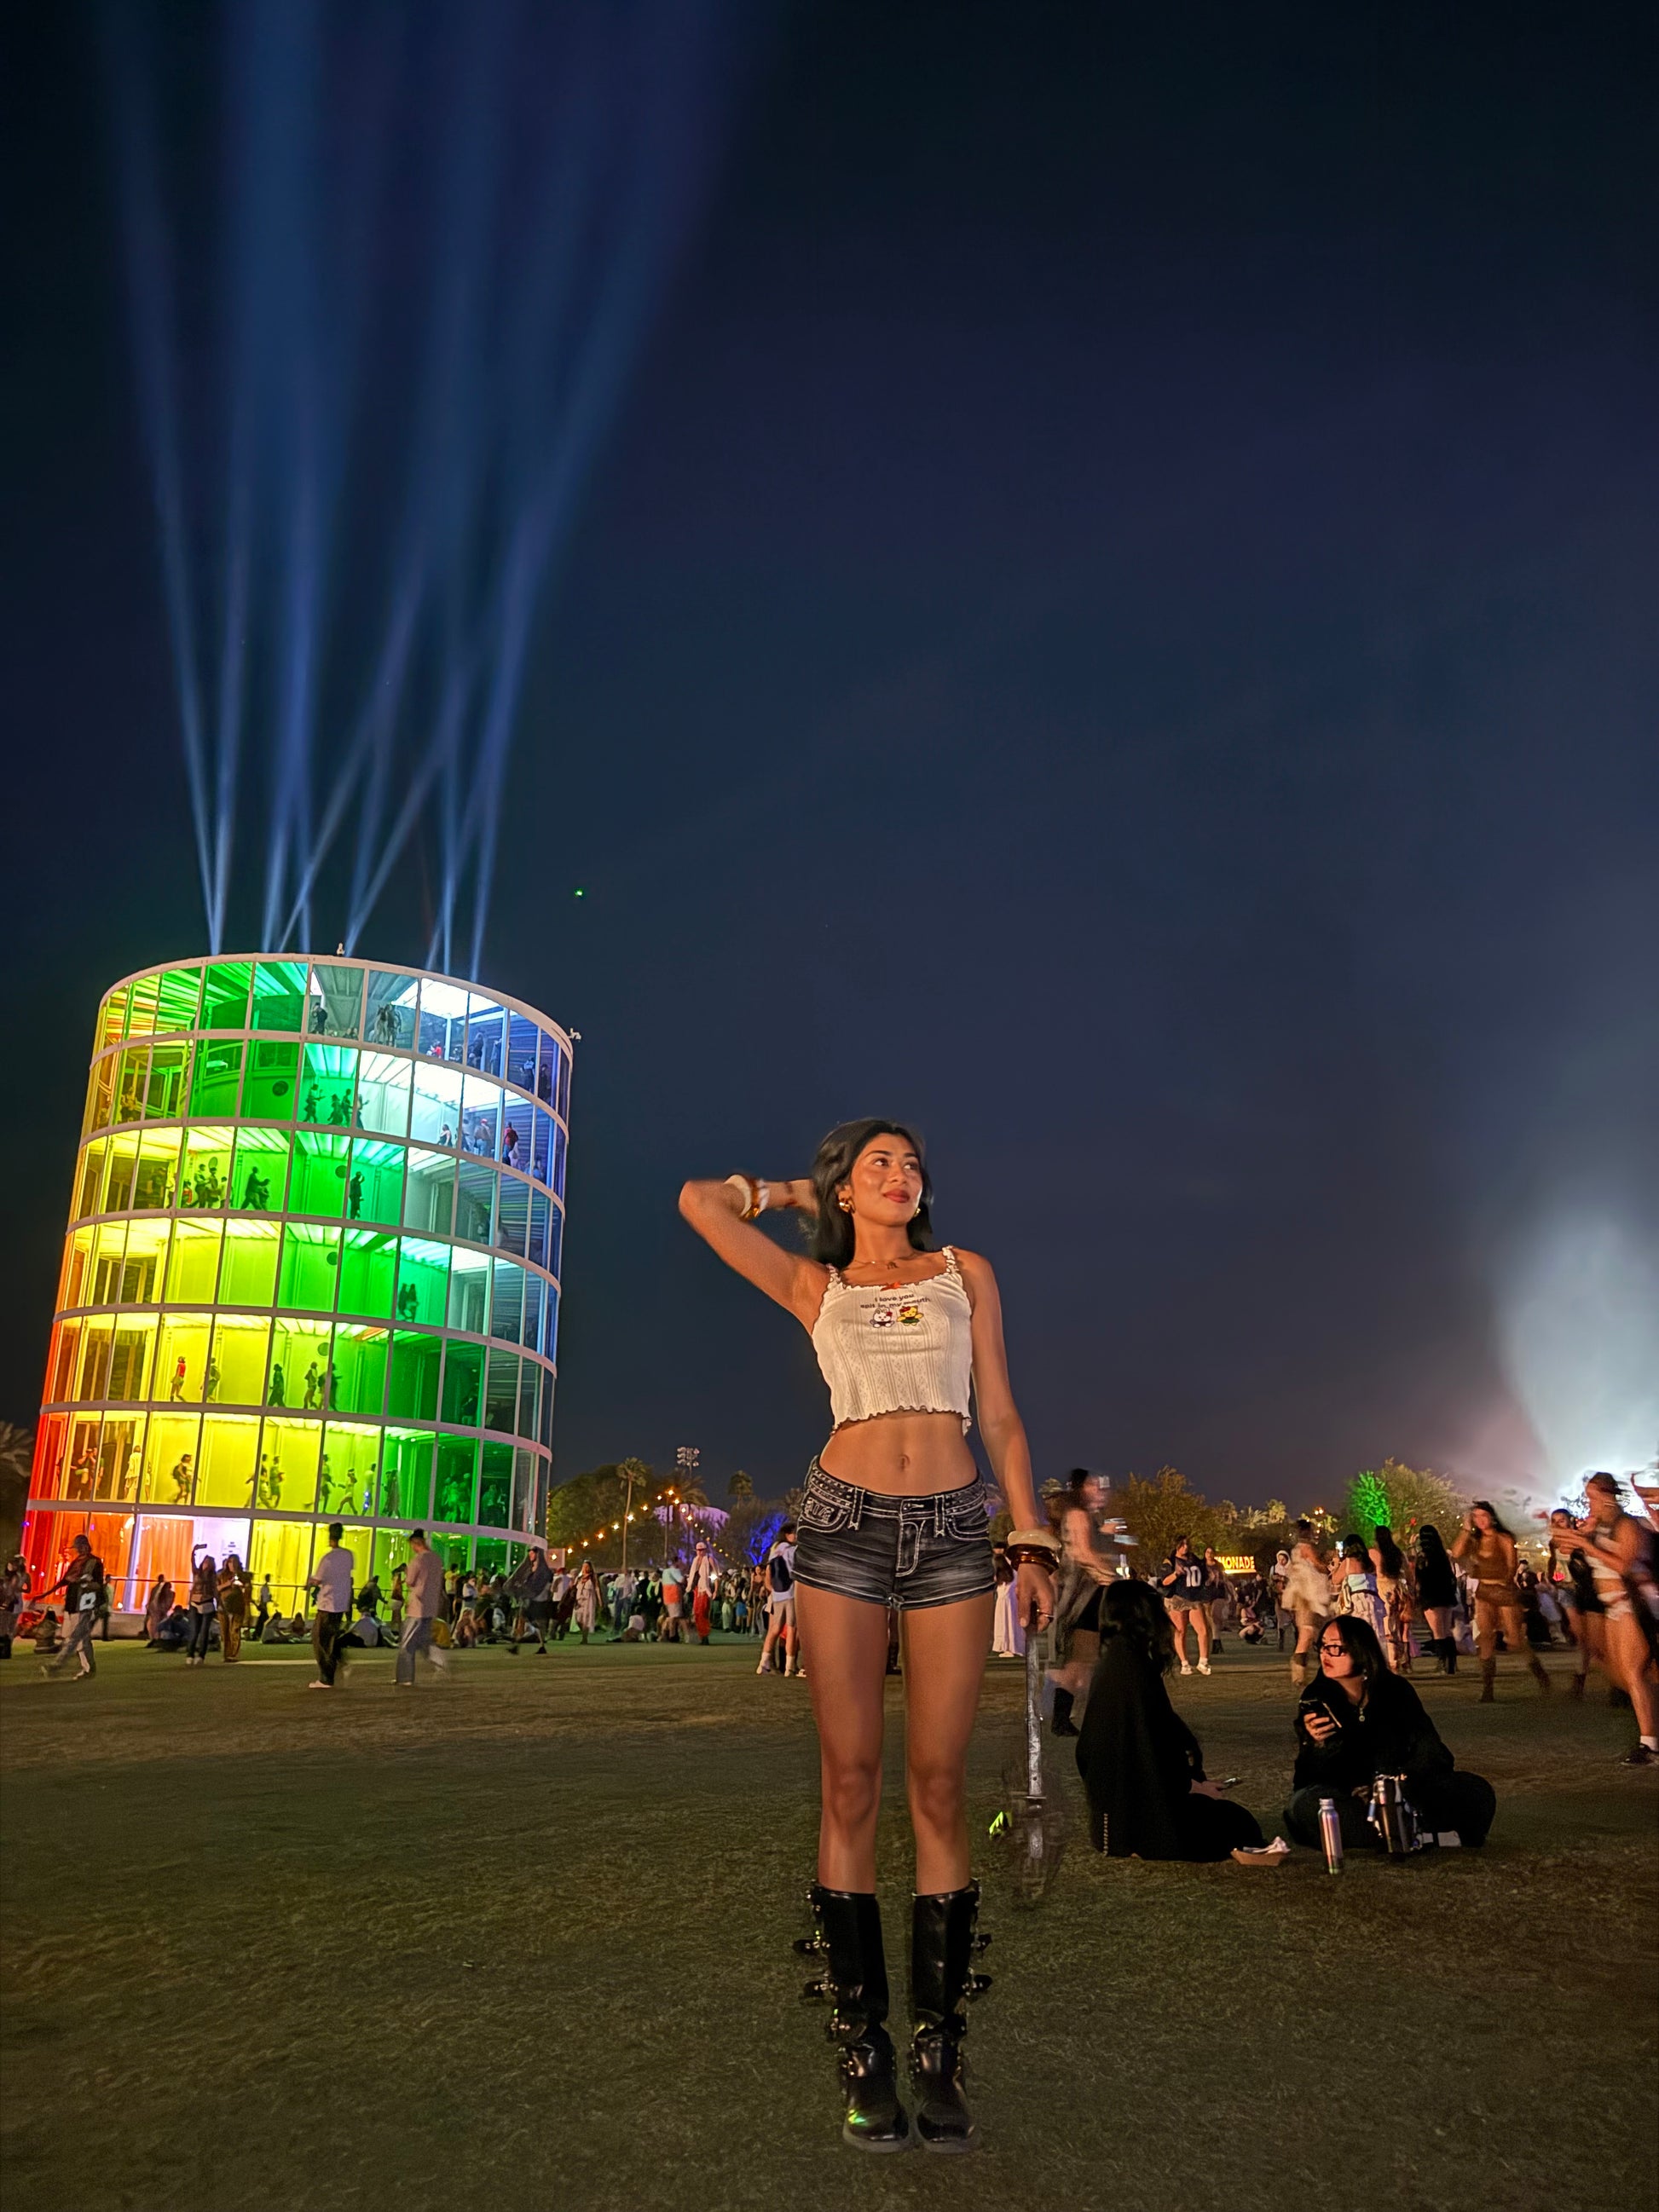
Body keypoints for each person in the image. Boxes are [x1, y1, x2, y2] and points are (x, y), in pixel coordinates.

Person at [679, 1119, 1054, 2153]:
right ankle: (864, 2049)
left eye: (911, 1163)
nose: (901, 1174)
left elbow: (1001, 1415)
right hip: (841, 1528)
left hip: (953, 1531)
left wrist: (1027, 1532)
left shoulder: (964, 1272)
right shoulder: (817, 1286)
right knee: (847, 1779)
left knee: (937, 1782)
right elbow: (698, 1202)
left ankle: (938, 2050)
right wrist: (797, 1191)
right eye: (876, 1163)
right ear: (847, 1187)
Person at [1075, 1580, 1263, 1860]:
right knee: (1239, 1822)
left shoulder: (1118, 1660)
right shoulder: (1131, 1669)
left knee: (1230, 1818)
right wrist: (1191, 1787)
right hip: (1138, 1822)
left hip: (1112, 1819)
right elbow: (1150, 1750)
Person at [1285, 1615, 1496, 1850]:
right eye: (1323, 1646)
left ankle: (1397, 1830)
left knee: (1476, 1790)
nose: (1325, 1654)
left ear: (1360, 1650)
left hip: (1404, 1788)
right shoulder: (1316, 1698)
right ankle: (1410, 1833)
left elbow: (1429, 1748)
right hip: (1348, 1795)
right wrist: (1316, 1744)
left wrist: (1396, 1783)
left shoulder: (1395, 1690)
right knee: (1307, 1806)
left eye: (1335, 1648)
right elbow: (1308, 1775)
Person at [1572, 1475, 1659, 1764]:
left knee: (1634, 1673)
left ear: (1608, 1497)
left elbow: (1623, 1565)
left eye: (1593, 1497)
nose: (1589, 1503)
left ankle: (1650, 1745)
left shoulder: (1626, 1525)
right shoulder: (1600, 1526)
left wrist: (1588, 1545)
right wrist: (1580, 1537)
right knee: (1618, 1673)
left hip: (1631, 1604)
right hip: (1611, 1606)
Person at [1453, 1502, 1550, 1701]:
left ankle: (1541, 1676)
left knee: (1515, 1640)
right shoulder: (1475, 1540)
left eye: (1483, 1515)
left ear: (1492, 1517)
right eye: (1476, 1516)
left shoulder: (1503, 1538)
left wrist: (1502, 1584)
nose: (1480, 1520)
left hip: (1504, 1591)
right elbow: (1456, 1553)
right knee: (1485, 1639)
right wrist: (1466, 1529)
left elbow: (1511, 1566)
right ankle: (1487, 1688)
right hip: (1484, 1591)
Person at [1049, 1470, 1122, 1733]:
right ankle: (1063, 1717)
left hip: (1086, 1594)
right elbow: (1083, 1552)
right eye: (1092, 1485)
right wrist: (1111, 1577)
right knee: (1082, 1658)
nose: (1099, 1489)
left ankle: (1071, 1716)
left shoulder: (1086, 1516)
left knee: (1087, 1659)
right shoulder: (1078, 1515)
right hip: (1084, 1596)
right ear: (1081, 1489)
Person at [37, 1535, 106, 1681]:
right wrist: (44, 1595)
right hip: (73, 1604)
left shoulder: (94, 1562)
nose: (78, 1550)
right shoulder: (77, 1562)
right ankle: (89, 1669)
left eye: (79, 1547)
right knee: (81, 1639)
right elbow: (64, 1581)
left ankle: (56, 1665)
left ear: (85, 1546)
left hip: (85, 1604)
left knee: (75, 1637)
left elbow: (98, 1585)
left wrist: (84, 1583)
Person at [1283, 1521, 1332, 1688]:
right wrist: (1328, 1565)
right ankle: (1299, 1672)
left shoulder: (1296, 1549)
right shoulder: (1306, 1547)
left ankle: (1305, 1670)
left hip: (1303, 1595)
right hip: (1307, 1596)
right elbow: (1317, 1565)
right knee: (1308, 1633)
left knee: (1313, 1632)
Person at [306, 1525, 355, 1689]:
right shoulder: (348, 1555)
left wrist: (310, 1582)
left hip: (327, 1603)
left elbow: (318, 1579)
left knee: (319, 1639)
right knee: (332, 1637)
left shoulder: (327, 1559)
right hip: (341, 1602)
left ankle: (326, 1678)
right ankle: (341, 1662)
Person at [1158, 1535, 1211, 1676]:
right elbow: (1164, 1581)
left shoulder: (1194, 1559)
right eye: (1182, 1545)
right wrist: (1176, 1574)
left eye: (1187, 1544)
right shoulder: (1170, 1561)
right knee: (1180, 1631)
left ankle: (1203, 1662)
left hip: (1194, 1598)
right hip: (1177, 1598)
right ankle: (1184, 1663)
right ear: (1176, 1546)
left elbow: (1204, 1573)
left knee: (1203, 1630)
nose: (1185, 1547)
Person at [1414, 1523, 1460, 1674]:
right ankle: (1451, 1662)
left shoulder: (1423, 1557)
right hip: (1445, 1594)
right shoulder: (1443, 1555)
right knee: (1446, 1630)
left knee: (1437, 1631)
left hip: (1430, 1595)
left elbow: (1420, 1577)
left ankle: (1442, 1662)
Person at [757, 1522, 800, 1678]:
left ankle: (763, 1663)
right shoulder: (792, 1550)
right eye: (794, 1533)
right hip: (790, 1593)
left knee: (774, 1629)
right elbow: (796, 1570)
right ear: (788, 1535)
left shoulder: (775, 1550)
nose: (796, 1536)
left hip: (777, 1595)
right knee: (792, 1629)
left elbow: (770, 1571)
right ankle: (789, 1666)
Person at [1331, 1534, 1388, 1647]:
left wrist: (1337, 1564)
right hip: (1373, 1599)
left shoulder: (1348, 1562)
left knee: (1357, 1632)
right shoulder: (1368, 1562)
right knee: (1374, 1631)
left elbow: (1335, 1580)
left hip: (1356, 1601)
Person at [184, 1548, 218, 1666]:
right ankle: (190, 1654)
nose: (206, 1565)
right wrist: (194, 1551)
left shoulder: (213, 1577)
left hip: (207, 1603)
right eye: (205, 1562)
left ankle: (201, 1655)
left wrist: (219, 1604)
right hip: (195, 1603)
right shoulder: (197, 1573)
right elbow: (192, 1562)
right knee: (194, 1631)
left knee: (204, 1632)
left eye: (209, 1563)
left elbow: (215, 1591)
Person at [217, 1552, 250, 1662]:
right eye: (231, 1562)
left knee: (235, 1630)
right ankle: (226, 1654)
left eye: (235, 1562)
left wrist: (242, 1586)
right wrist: (228, 1584)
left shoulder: (243, 1576)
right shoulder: (221, 1575)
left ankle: (234, 1654)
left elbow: (248, 1590)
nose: (233, 1565)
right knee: (224, 1631)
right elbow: (217, 1588)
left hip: (237, 1606)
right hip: (224, 1606)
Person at [688, 1541, 719, 1643]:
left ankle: (705, 1635)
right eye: (698, 1550)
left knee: (703, 1613)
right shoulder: (695, 1561)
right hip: (697, 1590)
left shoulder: (709, 1559)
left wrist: (716, 1590)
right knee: (697, 1613)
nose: (700, 1552)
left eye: (702, 1550)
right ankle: (702, 1635)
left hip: (706, 1589)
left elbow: (715, 1576)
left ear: (705, 1550)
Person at [574, 1560, 604, 1643]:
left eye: (587, 1566)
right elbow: (574, 1587)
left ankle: (584, 1638)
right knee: (578, 1619)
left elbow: (597, 1588)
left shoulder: (593, 1577)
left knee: (586, 1619)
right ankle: (583, 1632)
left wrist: (600, 1600)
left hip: (589, 1599)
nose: (585, 1568)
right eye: (584, 1566)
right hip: (579, 1600)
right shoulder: (579, 1577)